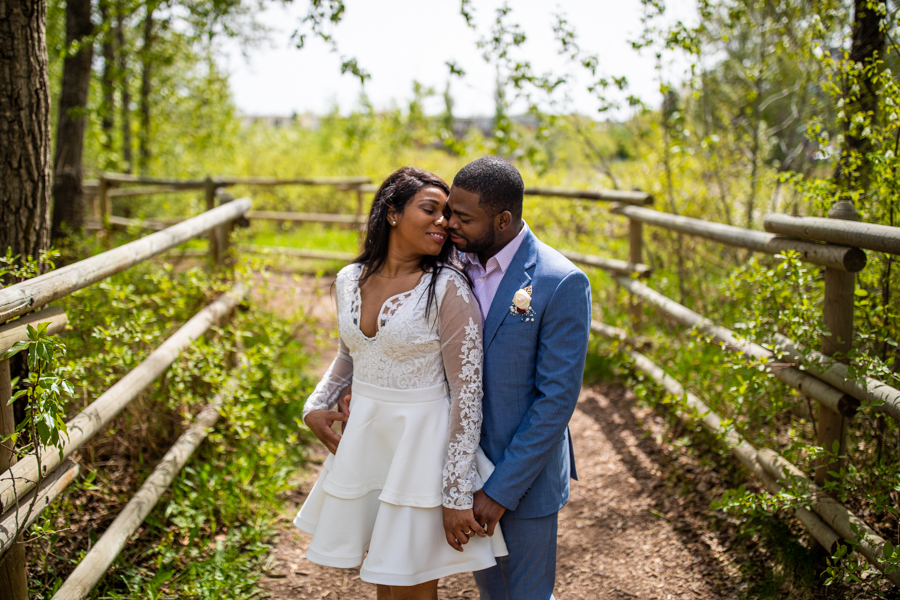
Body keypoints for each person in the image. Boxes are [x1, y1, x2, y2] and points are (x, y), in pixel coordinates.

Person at [295, 166, 507, 600]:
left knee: (410, 586)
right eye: (430, 209)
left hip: (421, 450)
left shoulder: (447, 289)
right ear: (392, 213)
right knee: (386, 580)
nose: (443, 222)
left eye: (447, 214)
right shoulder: (348, 280)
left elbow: (467, 396)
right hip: (370, 443)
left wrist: (455, 491)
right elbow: (349, 354)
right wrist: (316, 405)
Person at [446, 156, 592, 600]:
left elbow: (556, 400)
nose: (450, 224)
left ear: (503, 220)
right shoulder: (451, 265)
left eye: (463, 217)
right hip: (465, 471)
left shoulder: (560, 281)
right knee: (493, 593)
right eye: (450, 211)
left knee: (527, 596)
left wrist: (501, 490)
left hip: (524, 480)